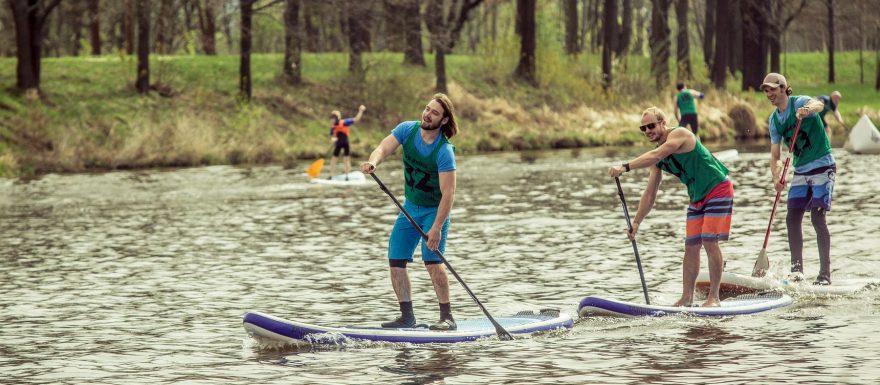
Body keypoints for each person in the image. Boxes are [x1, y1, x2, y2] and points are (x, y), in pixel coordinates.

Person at [608, 107, 733, 307]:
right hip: (697, 197)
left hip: (718, 188)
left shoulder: (679, 134)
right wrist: (637, 222)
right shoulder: (657, 160)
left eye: (651, 125)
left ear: (663, 123)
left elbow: (657, 154)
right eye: (643, 128)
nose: (648, 130)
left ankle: (714, 298)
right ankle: (687, 298)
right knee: (691, 246)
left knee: (709, 241)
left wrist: (625, 167)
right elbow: (650, 194)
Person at [361, 93, 459, 330]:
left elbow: (449, 194)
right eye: (427, 109)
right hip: (409, 209)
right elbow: (383, 148)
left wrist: (436, 228)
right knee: (396, 261)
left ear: (444, 120)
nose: (427, 114)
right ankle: (407, 317)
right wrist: (374, 162)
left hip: (434, 212)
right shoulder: (407, 130)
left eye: (435, 112)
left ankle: (447, 317)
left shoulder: (444, 151)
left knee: (432, 262)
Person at [760, 73, 835, 285]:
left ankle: (824, 276)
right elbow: (775, 156)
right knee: (792, 218)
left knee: (817, 218)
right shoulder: (774, 120)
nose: (769, 94)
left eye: (772, 89)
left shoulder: (799, 102)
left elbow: (818, 104)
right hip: (801, 170)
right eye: (766, 90)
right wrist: (776, 177)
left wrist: (807, 111)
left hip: (823, 165)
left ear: (784, 88)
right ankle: (797, 272)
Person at [328, 105, 366, 179]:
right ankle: (330, 175)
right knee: (333, 159)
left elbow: (356, 119)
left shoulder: (345, 122)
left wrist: (360, 111)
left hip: (345, 143)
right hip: (338, 144)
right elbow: (332, 136)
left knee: (346, 159)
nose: (332, 120)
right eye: (331, 118)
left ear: (337, 118)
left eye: (333, 118)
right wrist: (333, 139)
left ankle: (347, 175)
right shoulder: (332, 127)